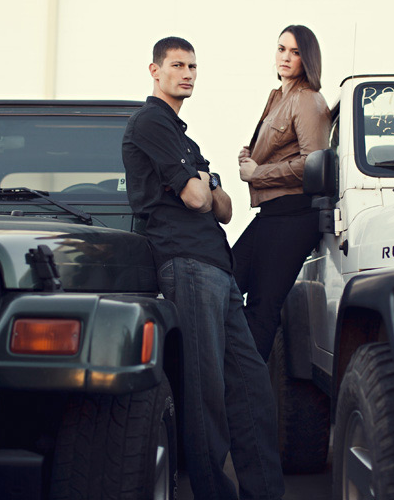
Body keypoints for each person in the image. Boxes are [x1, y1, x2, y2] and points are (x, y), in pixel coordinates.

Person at [122, 36, 284, 500]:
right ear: (155, 71)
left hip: (218, 267)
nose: (188, 73)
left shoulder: (183, 137)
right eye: (177, 65)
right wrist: (203, 185)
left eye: (193, 65)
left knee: (253, 388)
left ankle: (266, 494)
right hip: (186, 265)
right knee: (206, 396)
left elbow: (226, 207)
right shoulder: (150, 122)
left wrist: (204, 183)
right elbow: (198, 198)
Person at [233, 25, 331, 362]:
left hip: (294, 214)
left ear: (308, 58)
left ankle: (248, 395)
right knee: (226, 284)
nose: (286, 57)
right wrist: (249, 158)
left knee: (262, 307)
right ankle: (229, 377)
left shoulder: (307, 100)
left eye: (295, 51)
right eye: (281, 49)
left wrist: (257, 174)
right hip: (272, 214)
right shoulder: (279, 97)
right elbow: (275, 149)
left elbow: (312, 163)